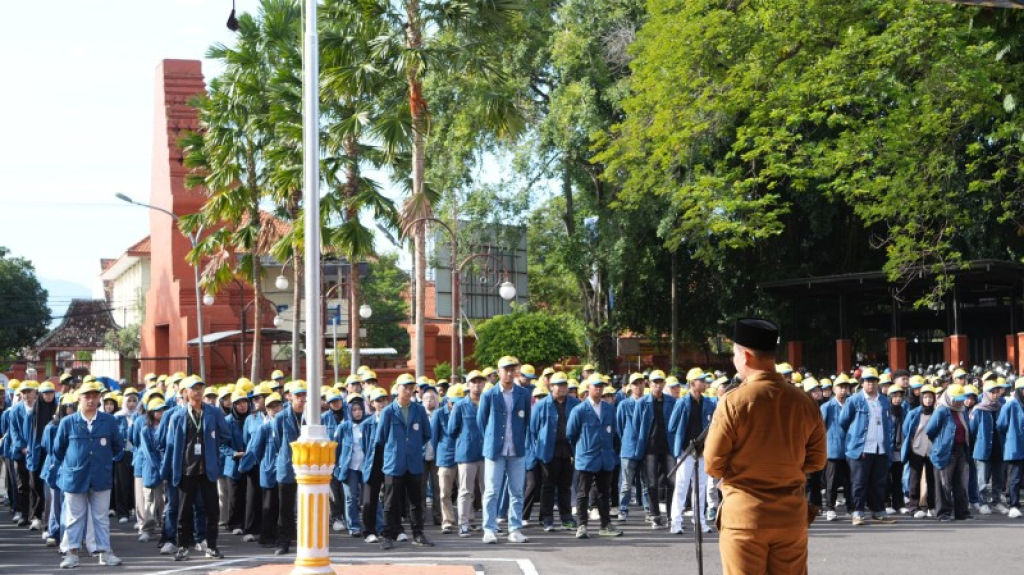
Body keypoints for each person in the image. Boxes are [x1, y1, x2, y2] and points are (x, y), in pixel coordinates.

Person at [704, 318, 826, 575]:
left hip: (745, 518)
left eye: (734, 353)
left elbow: (713, 463)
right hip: (790, 517)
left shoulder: (733, 402)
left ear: (746, 356)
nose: (733, 360)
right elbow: (817, 461)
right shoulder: (804, 402)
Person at [52, 380, 124, 569]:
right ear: (79, 399)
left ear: (99, 398)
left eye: (94, 396)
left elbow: (118, 447)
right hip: (75, 478)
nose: (91, 400)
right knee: (74, 518)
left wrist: (104, 462)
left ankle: (105, 552)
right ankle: (72, 553)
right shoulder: (68, 422)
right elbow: (58, 450)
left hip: (101, 477)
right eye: (87, 396)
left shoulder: (108, 420)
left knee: (101, 518)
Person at [165, 376, 231, 561]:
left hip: (207, 468)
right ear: (185, 392)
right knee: (184, 511)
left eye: (200, 388)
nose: (198, 392)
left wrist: (212, 447)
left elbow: (225, 435)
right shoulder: (177, 416)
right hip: (186, 469)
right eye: (194, 388)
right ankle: (183, 547)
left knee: (212, 510)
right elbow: (171, 444)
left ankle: (212, 546)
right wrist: (169, 470)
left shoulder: (213, 413)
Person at [477, 357, 532, 544]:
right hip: (495, 450)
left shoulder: (523, 394)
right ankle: (489, 529)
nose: (509, 373)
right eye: (505, 369)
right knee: (492, 491)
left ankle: (515, 529)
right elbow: (481, 422)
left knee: (516, 491)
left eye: (512, 369)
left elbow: (526, 421)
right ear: (498, 372)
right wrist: (491, 439)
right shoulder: (489, 395)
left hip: (516, 448)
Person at [375, 374, 433, 550]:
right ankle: (388, 535)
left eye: (411, 387)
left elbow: (426, 434)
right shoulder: (388, 411)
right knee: (390, 502)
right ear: (397, 388)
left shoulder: (419, 410)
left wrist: (413, 447)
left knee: (416, 500)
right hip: (394, 463)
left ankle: (418, 533)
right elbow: (381, 439)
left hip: (414, 462)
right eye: (405, 387)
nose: (408, 391)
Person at [566, 375, 622, 539]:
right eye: (596, 386)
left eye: (601, 386)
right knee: (583, 492)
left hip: (605, 457)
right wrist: (581, 449)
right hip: (587, 457)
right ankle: (582, 525)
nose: (599, 389)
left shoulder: (609, 408)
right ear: (588, 388)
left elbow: (615, 432)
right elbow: (571, 434)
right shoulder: (580, 410)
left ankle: (606, 524)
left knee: (605, 492)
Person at [839, 367, 895, 526]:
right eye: (867, 381)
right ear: (862, 382)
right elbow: (843, 422)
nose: (871, 384)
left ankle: (878, 511)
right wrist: (854, 437)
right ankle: (857, 512)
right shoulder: (854, 400)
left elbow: (888, 423)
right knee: (859, 482)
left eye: (873, 381)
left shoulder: (884, 400)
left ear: (878, 382)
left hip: (880, 447)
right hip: (861, 447)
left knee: (879, 481)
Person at [668, 368, 716, 535]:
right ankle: (676, 522)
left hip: (702, 451)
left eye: (704, 380)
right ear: (692, 383)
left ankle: (700, 521)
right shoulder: (682, 402)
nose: (704, 383)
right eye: (700, 380)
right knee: (681, 486)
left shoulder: (709, 403)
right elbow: (672, 426)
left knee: (700, 488)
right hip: (686, 451)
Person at [530, 371, 579, 532]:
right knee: (548, 486)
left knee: (565, 486)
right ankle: (547, 518)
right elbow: (533, 429)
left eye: (564, 384)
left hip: (568, 450)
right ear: (551, 387)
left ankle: (566, 518)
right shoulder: (541, 405)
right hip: (548, 450)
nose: (563, 388)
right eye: (559, 385)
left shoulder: (575, 403)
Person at [633, 369, 676, 528]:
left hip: (669, 447)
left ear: (664, 384)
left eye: (660, 382)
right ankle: (655, 515)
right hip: (650, 448)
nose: (658, 385)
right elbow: (636, 426)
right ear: (649, 384)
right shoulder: (642, 403)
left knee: (672, 482)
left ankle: (672, 515)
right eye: (654, 382)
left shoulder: (672, 401)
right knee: (651, 483)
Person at [925, 384, 973, 521]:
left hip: (962, 450)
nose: (959, 401)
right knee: (943, 484)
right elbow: (930, 430)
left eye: (960, 398)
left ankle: (962, 512)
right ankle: (943, 513)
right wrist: (941, 442)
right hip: (945, 451)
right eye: (956, 398)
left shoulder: (962, 410)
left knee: (961, 483)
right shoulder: (942, 411)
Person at [448, 371, 486, 537]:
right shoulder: (460, 405)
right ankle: (463, 524)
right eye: (473, 382)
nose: (477, 385)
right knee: (465, 491)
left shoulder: (488, 403)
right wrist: (467, 438)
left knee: (488, 490)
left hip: (486, 453)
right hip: (467, 454)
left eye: (480, 382)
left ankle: (488, 523)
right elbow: (451, 430)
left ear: (484, 384)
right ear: (468, 385)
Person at [272, 381, 308, 556]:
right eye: (297, 395)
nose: (301, 399)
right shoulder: (280, 417)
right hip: (287, 466)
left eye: (303, 395)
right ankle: (283, 541)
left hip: (308, 467)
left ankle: (306, 539)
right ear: (289, 396)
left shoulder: (313, 416)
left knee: (306, 506)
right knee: (284, 508)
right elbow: (278, 442)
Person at [616, 373, 648, 523]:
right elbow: (620, 426)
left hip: (645, 447)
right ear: (630, 386)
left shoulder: (649, 402)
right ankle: (622, 509)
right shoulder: (623, 404)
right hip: (628, 448)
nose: (638, 386)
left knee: (646, 481)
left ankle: (648, 510)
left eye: (641, 382)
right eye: (635, 383)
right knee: (626, 483)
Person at [334, 395, 368, 538]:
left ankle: (371, 526)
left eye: (360, 409)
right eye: (354, 410)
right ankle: (354, 526)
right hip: (350, 467)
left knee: (369, 498)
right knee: (351, 498)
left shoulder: (368, 424)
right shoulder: (344, 427)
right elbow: (336, 447)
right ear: (349, 411)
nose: (357, 412)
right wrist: (337, 466)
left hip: (366, 466)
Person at [970, 379, 1004, 515]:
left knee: (998, 478)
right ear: (985, 393)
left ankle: (996, 501)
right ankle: (982, 502)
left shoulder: (1001, 408)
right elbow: (972, 431)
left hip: (998, 447)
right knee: (982, 479)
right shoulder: (978, 410)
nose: (995, 395)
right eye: (992, 392)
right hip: (983, 448)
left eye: (997, 392)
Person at [903, 385, 937, 518]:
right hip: (916, 449)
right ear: (921, 398)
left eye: (931, 397)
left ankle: (932, 506)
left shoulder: (937, 412)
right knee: (915, 479)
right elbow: (907, 430)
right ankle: (914, 507)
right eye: (926, 397)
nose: (928, 400)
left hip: (931, 450)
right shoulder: (914, 413)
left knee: (932, 479)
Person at [429, 385, 458, 534]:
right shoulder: (439, 414)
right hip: (446, 457)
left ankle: (469, 520)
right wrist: (441, 452)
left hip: (464, 456)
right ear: (447, 401)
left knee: (467, 491)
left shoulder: (464, 410)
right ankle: (447, 521)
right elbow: (433, 438)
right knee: (444, 493)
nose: (456, 405)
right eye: (454, 402)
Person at [995, 378, 1024, 518]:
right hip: (1015, 446)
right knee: (1015, 477)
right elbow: (1001, 425)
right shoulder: (1010, 405)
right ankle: (1013, 504)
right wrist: (1010, 438)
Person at [321, 388, 347, 532]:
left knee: (347, 491)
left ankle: (348, 517)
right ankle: (337, 517)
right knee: (334, 491)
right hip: (331, 460)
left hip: (347, 459)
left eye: (337, 401)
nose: (335, 404)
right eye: (332, 402)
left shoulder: (349, 415)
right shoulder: (324, 418)